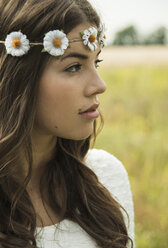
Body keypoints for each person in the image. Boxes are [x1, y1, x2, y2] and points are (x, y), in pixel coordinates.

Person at [0, 0, 134, 247]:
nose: (100, 85)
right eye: (74, 67)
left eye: (97, 63)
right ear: (19, 77)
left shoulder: (106, 178)